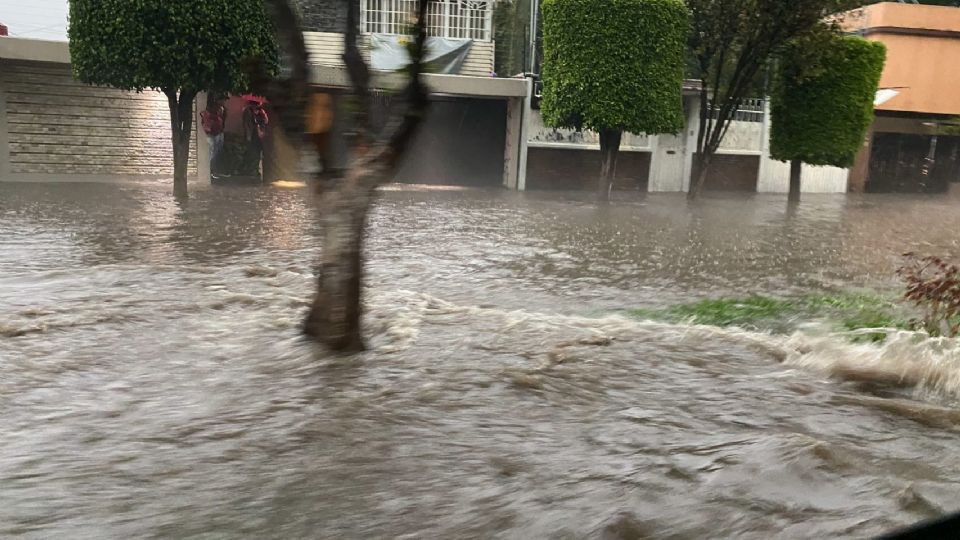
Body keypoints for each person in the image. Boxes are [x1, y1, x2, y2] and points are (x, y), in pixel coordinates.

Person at [200, 98, 227, 176]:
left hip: (218, 132)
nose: (224, 101)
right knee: (212, 152)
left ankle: (215, 170)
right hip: (212, 134)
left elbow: (222, 121)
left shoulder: (222, 109)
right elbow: (208, 121)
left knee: (217, 152)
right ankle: (211, 171)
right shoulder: (210, 112)